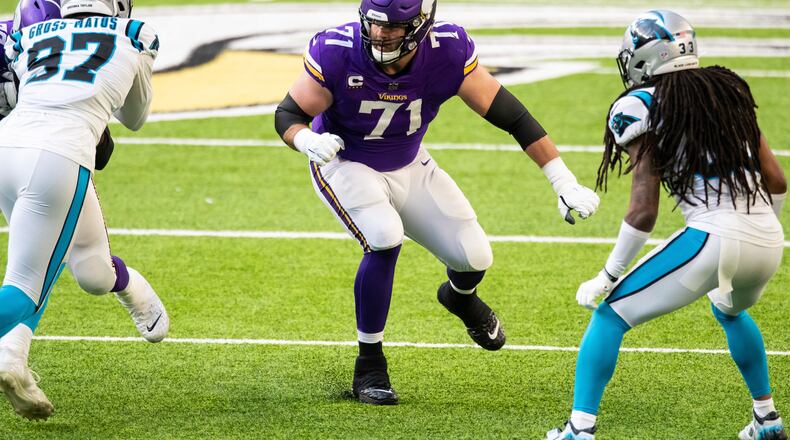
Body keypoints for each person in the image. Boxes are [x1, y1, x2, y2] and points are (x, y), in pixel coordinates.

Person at [275, 0, 600, 405]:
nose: (379, 34)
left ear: (420, 25)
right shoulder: (337, 50)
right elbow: (288, 113)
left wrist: (562, 180)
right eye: (374, 24)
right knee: (383, 236)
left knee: (474, 257)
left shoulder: (447, 50)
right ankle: (370, 365)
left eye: (392, 27)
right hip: (345, 161)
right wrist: (307, 139)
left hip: (409, 161)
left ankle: (459, 297)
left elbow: (513, 117)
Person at [546, 10, 787, 440]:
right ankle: (767, 419)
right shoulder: (727, 90)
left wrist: (608, 274)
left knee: (609, 317)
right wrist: (764, 226)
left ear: (646, 58)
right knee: (729, 310)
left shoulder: (639, 105)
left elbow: (644, 209)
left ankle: (579, 430)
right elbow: (777, 179)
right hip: (769, 238)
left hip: (714, 234)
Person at [0, 0, 168, 420]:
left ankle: (128, 287)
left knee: (92, 270)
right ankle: (9, 357)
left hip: (8, 147)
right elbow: (135, 117)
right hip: (59, 158)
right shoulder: (134, 34)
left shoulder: (27, 33)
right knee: (24, 289)